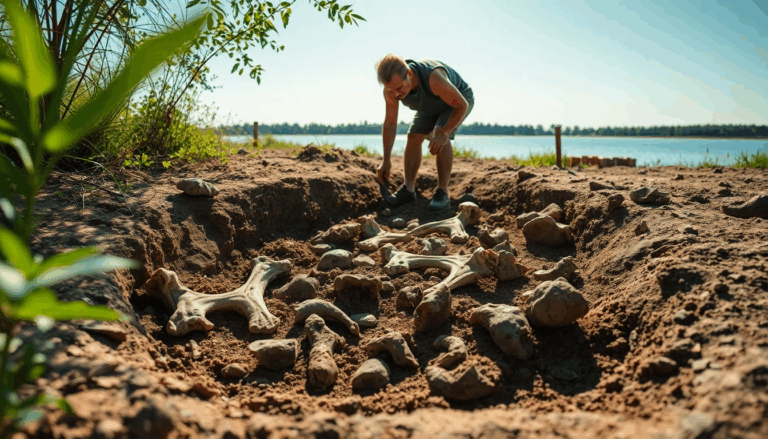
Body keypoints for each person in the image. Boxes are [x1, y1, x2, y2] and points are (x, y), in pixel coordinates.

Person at [375, 54, 474, 210]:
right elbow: (390, 122)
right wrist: (386, 159)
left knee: (439, 133)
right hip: (428, 106)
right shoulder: (392, 90)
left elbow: (462, 105)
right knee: (413, 136)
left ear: (409, 74)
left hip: (457, 101)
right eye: (391, 90)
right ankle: (408, 189)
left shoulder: (433, 78)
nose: (396, 95)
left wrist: (445, 132)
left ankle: (442, 192)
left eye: (399, 89)